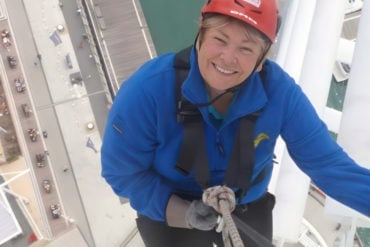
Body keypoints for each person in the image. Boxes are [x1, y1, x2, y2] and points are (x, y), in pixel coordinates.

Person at [101, 0, 370, 246]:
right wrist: (181, 212)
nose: (228, 57)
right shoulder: (148, 92)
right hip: (170, 201)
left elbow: (328, 166)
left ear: (261, 60)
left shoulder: (280, 95)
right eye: (220, 39)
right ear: (201, 35)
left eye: (246, 48)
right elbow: (122, 172)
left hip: (244, 200)